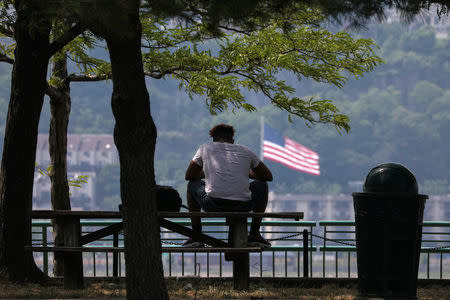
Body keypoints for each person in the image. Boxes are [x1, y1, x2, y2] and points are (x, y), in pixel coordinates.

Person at [183, 123, 273, 248]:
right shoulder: (245, 151)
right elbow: (267, 176)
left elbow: (190, 175)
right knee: (262, 185)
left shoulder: (206, 148)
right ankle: (254, 234)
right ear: (233, 140)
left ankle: (196, 235)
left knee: (192, 184)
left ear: (214, 140)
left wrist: (209, 171)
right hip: (243, 206)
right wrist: (246, 173)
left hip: (213, 204)